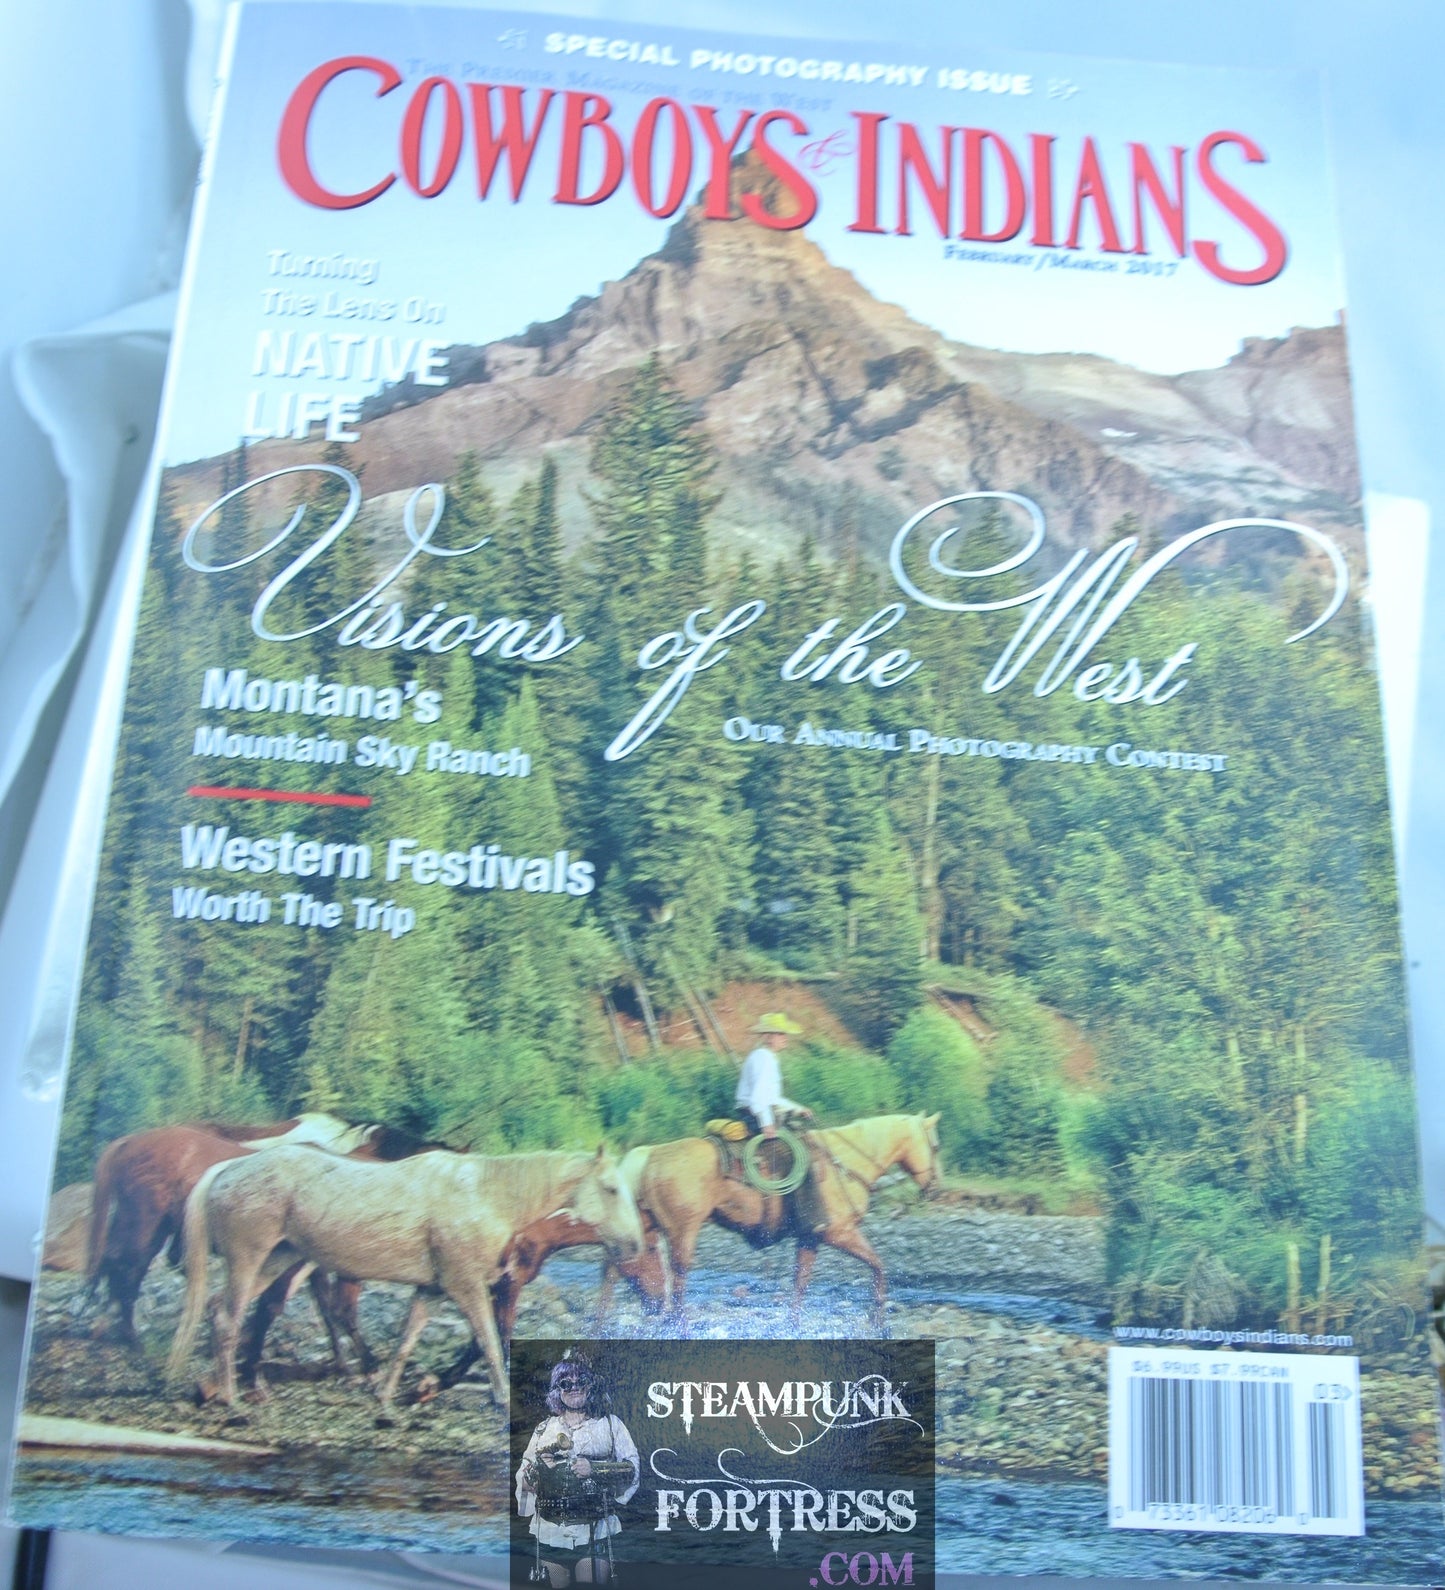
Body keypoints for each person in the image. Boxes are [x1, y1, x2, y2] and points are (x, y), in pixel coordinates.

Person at [516, 1353, 639, 1586]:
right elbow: (525, 1478)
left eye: (581, 1381)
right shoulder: (543, 1429)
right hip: (550, 1529)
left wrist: (595, 1469)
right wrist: (537, 1473)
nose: (574, 1388)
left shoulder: (610, 1425)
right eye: (566, 1383)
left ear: (590, 1385)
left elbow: (631, 1469)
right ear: (558, 1390)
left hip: (594, 1528)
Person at [733, 1012, 809, 1138]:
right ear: (768, 1037)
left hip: (757, 1112)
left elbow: (772, 1098)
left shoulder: (768, 1057)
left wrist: (798, 1109)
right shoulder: (764, 1058)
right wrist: (766, 1123)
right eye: (780, 1034)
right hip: (753, 1115)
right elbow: (759, 1095)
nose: (785, 1038)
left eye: (784, 1034)